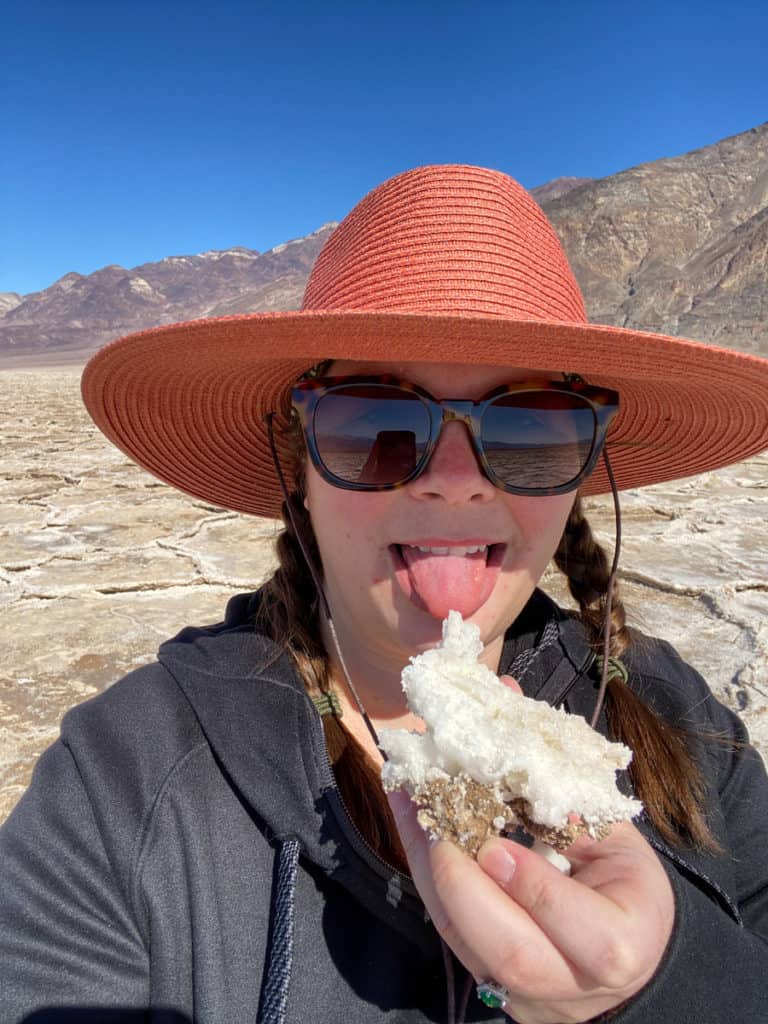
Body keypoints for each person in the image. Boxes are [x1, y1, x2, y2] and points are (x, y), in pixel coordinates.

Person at [2, 164, 768, 1024]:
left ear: (584, 468)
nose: (453, 482)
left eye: (527, 427)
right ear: (298, 464)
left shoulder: (684, 728)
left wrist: (668, 988)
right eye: (375, 422)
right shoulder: (120, 786)